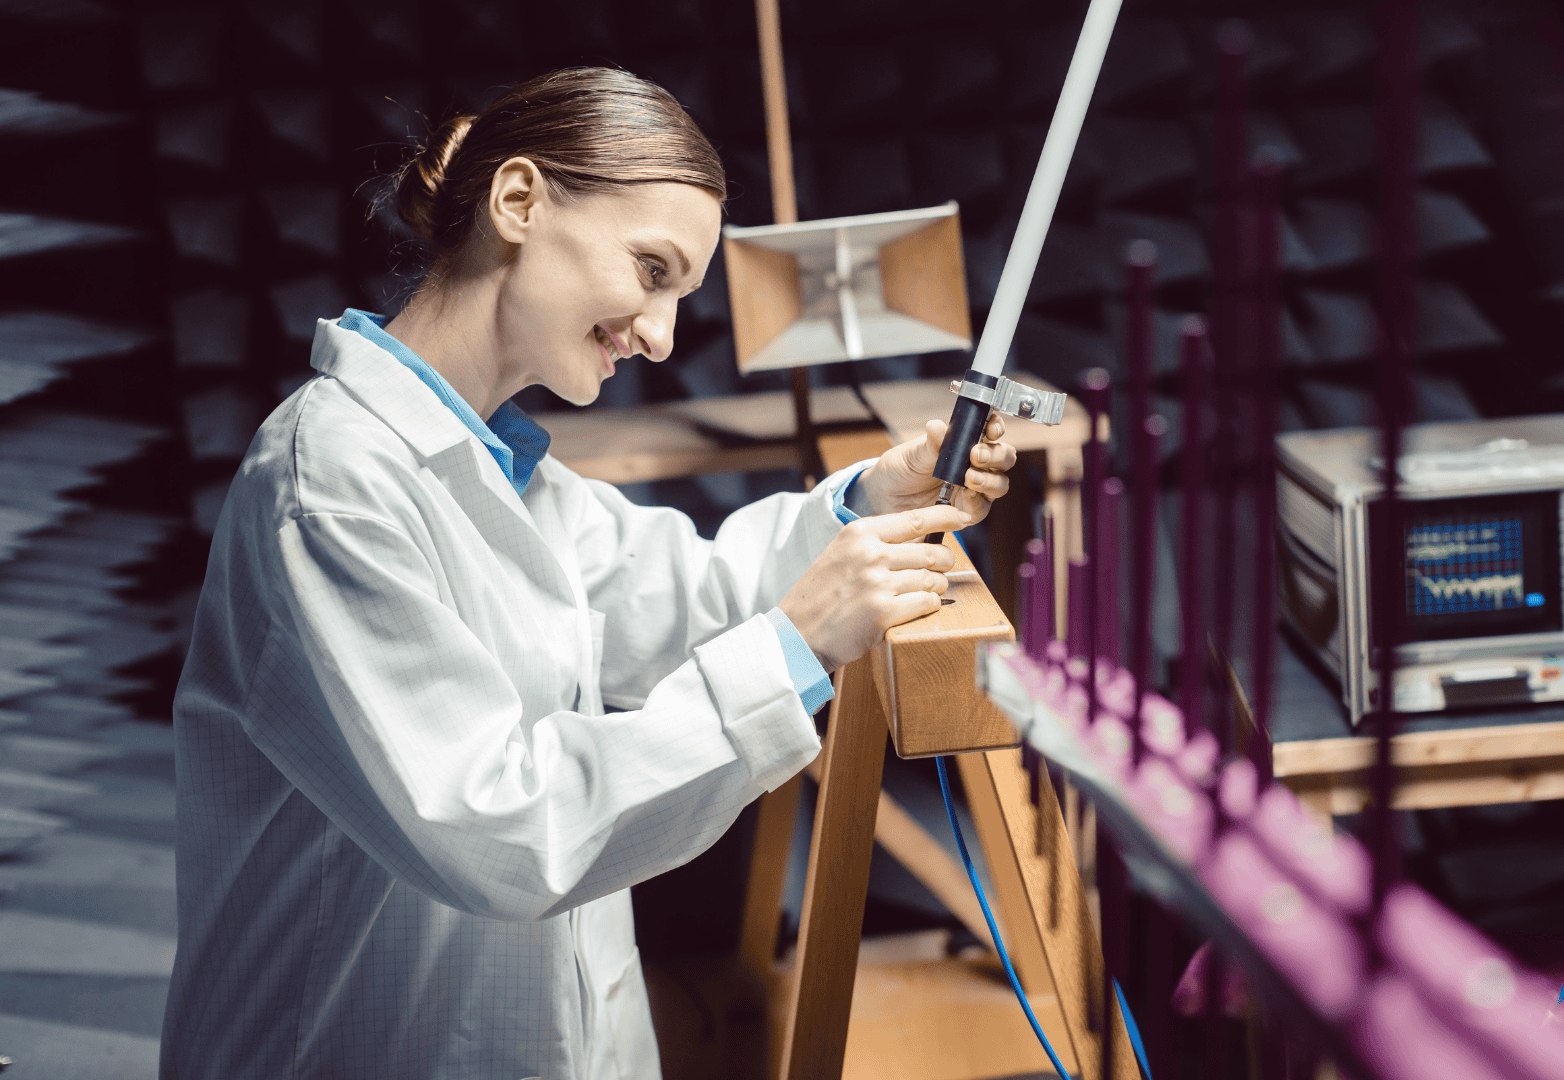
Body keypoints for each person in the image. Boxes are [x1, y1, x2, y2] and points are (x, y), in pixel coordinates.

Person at [161, 67, 1016, 1080]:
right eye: (650, 272)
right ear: (517, 201)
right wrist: (794, 646)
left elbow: (688, 601)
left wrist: (869, 497)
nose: (657, 336)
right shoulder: (330, 483)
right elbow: (501, 828)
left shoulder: (504, 467)